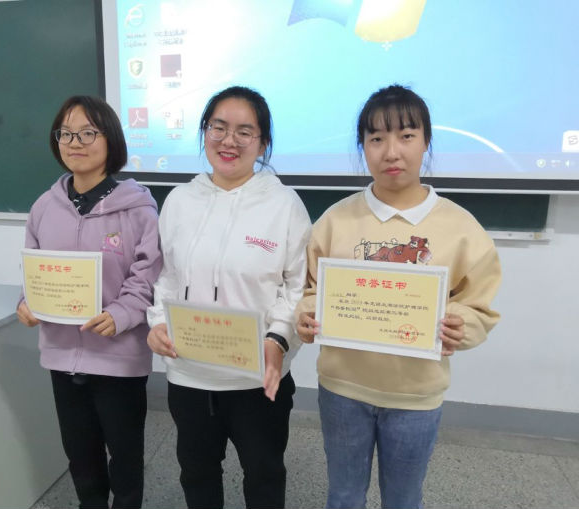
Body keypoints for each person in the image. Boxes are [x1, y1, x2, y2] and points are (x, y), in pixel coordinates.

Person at [296, 84, 501, 509]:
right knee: (344, 495)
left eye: (406, 135)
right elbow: (309, 290)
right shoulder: (335, 221)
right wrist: (307, 315)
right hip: (342, 389)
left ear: (426, 141)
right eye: (376, 138)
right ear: (363, 147)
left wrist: (461, 325)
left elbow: (478, 305)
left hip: (416, 396)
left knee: (404, 499)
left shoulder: (460, 227)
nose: (392, 151)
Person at [146, 85, 312, 509]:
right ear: (205, 132)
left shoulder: (284, 205)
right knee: (197, 474)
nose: (228, 141)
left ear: (263, 142)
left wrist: (277, 339)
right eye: (218, 127)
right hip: (190, 373)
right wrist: (157, 323)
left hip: (257, 376)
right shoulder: (180, 201)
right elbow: (167, 275)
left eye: (244, 131)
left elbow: (296, 285)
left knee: (264, 475)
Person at [16, 96, 162, 509]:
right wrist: (27, 301)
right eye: (65, 134)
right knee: (80, 458)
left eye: (87, 133)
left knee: (125, 459)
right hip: (62, 354)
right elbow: (33, 269)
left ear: (109, 139)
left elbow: (148, 275)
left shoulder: (138, 210)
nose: (74, 143)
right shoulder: (44, 207)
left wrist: (122, 314)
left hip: (118, 356)